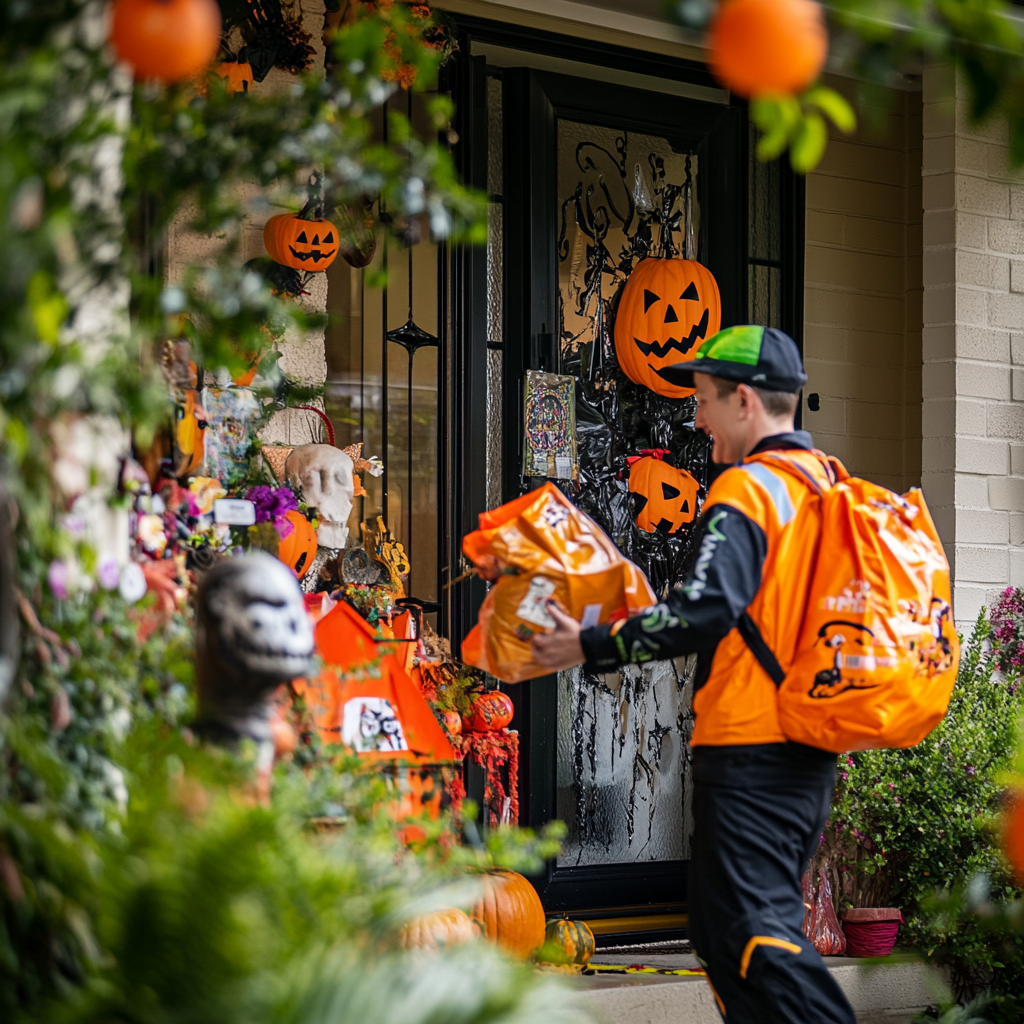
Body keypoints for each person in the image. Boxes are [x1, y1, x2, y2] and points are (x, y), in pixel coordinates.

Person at [533, 325, 856, 1024]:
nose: (696, 417)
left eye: (704, 399)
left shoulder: (748, 491)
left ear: (744, 399)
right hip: (802, 747)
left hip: (754, 750)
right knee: (723, 933)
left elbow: (702, 611)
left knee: (751, 937)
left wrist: (586, 645)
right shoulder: (825, 483)